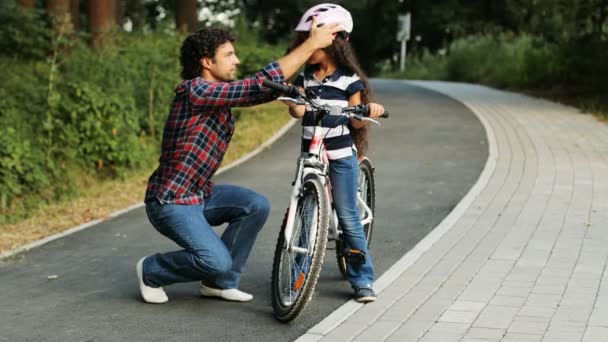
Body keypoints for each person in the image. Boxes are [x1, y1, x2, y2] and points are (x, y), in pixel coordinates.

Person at [137, 20, 343, 304]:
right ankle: (152, 271)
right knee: (214, 259)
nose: (237, 60)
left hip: (199, 195)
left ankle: (219, 282)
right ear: (207, 62)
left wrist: (290, 93)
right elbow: (253, 86)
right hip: (171, 201)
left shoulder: (217, 94)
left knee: (254, 205)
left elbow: (256, 90)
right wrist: (311, 45)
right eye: (229, 55)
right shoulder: (195, 92)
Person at [282, 4, 385, 303]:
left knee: (349, 217)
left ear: (335, 41)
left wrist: (368, 110)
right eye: (303, 41)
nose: (305, 47)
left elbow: (354, 120)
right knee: (305, 217)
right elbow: (299, 111)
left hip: (340, 154)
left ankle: (362, 279)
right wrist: (292, 100)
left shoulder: (348, 79)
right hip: (310, 156)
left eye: (311, 40)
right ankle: (297, 277)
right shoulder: (305, 78)